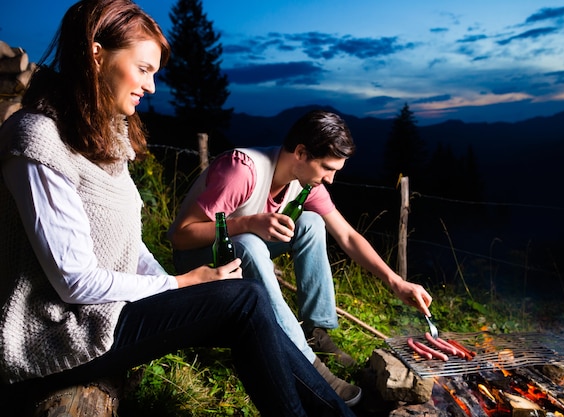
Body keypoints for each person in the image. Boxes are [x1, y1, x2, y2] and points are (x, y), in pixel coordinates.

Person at [0, 1, 359, 415]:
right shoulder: (35, 140)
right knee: (242, 300)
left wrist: (180, 282)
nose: (151, 87)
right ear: (95, 55)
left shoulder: (104, 142)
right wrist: (182, 284)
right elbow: (74, 283)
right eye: (143, 69)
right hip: (52, 335)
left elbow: (131, 248)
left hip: (105, 313)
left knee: (242, 297)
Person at [167, 111, 433, 372]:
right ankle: (301, 357)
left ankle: (316, 330)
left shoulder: (306, 184)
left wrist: (396, 282)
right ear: (302, 153)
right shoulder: (241, 170)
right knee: (249, 242)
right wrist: (248, 223)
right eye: (327, 168)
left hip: (242, 258)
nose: (331, 179)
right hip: (200, 263)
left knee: (311, 223)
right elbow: (180, 237)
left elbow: (348, 236)